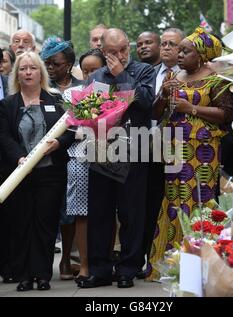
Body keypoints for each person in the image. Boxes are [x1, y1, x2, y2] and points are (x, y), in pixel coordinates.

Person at [146, 27, 233, 281]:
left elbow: (226, 115)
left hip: (203, 152)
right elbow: (156, 114)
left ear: (203, 55)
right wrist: (163, 94)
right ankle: (171, 262)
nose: (179, 54)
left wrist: (191, 108)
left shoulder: (217, 79)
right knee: (174, 201)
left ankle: (201, 266)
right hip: (174, 150)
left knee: (198, 201)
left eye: (186, 51)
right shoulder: (176, 75)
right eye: (180, 50)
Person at [77, 28, 156, 289]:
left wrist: (122, 75)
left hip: (134, 149)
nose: (119, 55)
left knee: (131, 212)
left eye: (123, 49)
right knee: (100, 213)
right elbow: (85, 111)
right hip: (101, 150)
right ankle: (99, 270)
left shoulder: (143, 71)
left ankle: (128, 268)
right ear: (103, 52)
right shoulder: (96, 76)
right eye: (113, 52)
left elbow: (145, 102)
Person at [0, 51, 74, 292]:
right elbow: (3, 135)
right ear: (16, 74)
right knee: (21, 225)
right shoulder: (8, 104)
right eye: (23, 68)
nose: (28, 72)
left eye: (33, 68)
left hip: (50, 175)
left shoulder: (55, 100)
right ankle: (24, 276)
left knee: (45, 224)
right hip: (20, 174)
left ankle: (42, 275)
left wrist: (58, 144)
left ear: (41, 72)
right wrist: (19, 156)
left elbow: (71, 130)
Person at [139, 28, 185, 279]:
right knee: (151, 203)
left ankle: (178, 257)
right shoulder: (152, 74)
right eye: (164, 43)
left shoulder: (190, 74)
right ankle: (150, 259)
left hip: (181, 146)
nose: (167, 48)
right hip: (151, 146)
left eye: (172, 44)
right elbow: (150, 112)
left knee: (175, 202)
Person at [40, 37, 83, 280]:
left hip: (75, 155)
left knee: (70, 212)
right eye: (46, 64)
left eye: (55, 64)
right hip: (47, 157)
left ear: (68, 63)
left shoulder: (83, 88)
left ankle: (68, 259)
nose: (50, 69)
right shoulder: (41, 88)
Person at [65, 48, 106, 283]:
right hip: (79, 158)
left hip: (106, 158)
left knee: (106, 213)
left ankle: (103, 261)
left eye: (96, 69)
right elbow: (70, 129)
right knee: (81, 213)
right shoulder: (71, 94)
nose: (91, 74)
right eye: (86, 70)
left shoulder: (111, 93)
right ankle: (84, 265)